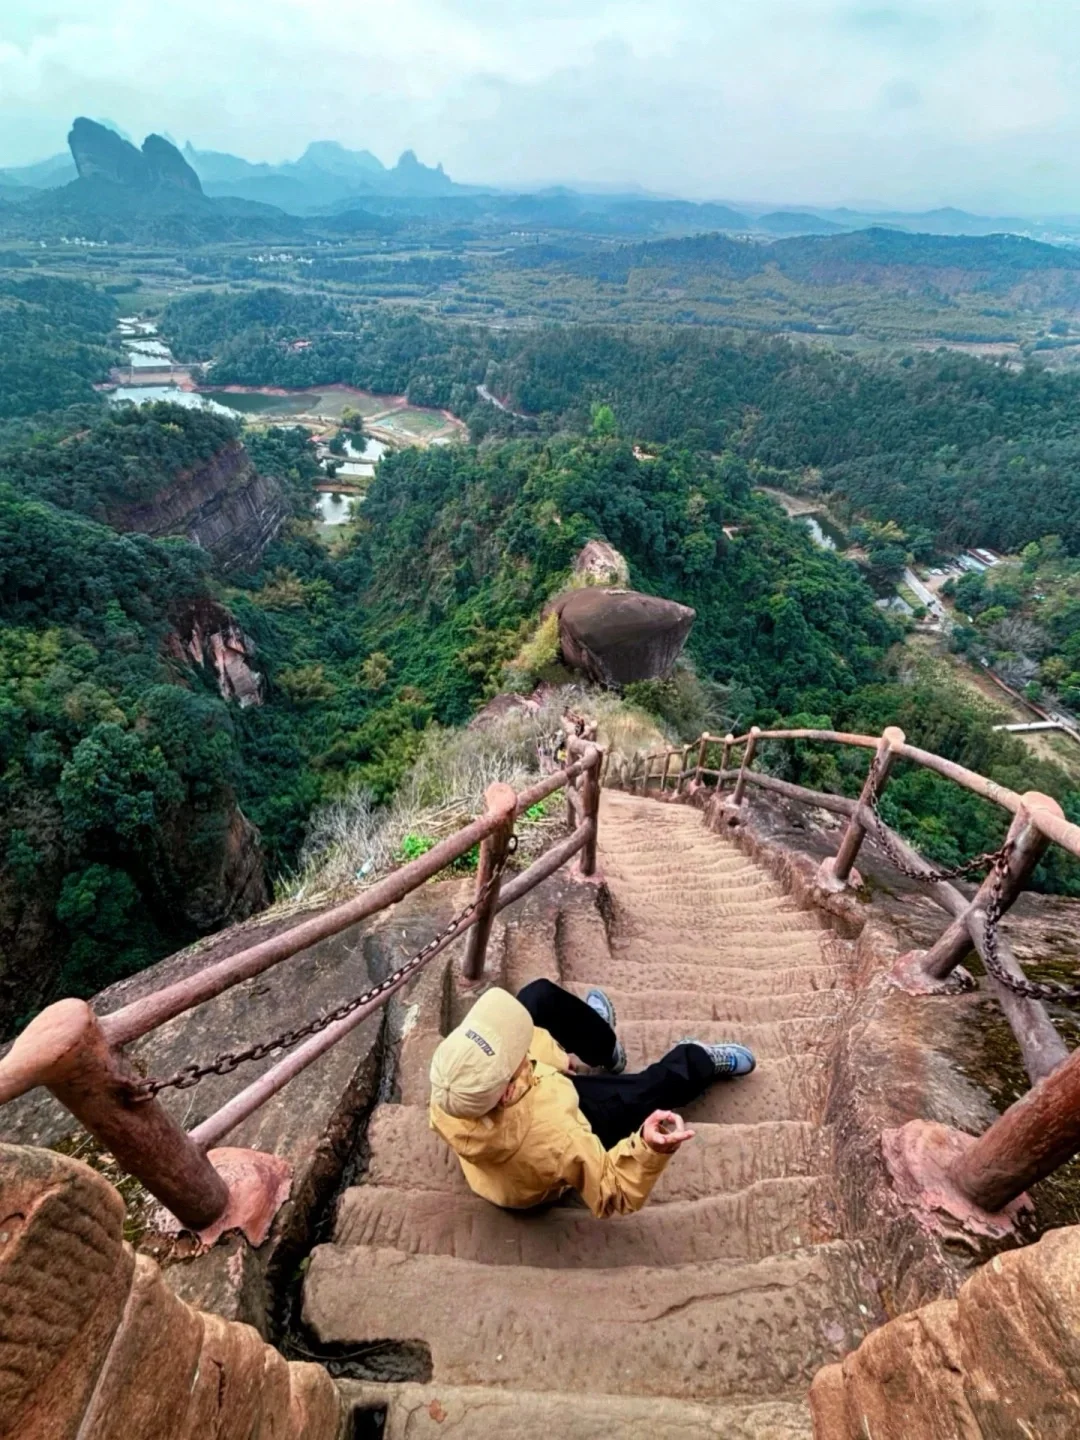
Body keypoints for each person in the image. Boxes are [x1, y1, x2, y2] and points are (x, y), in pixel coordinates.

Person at [428, 979, 756, 1219]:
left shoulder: (449, 1083)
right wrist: (647, 1146)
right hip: (546, 1128)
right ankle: (696, 1060)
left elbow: (519, 1064)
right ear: (509, 1090)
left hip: (527, 1105)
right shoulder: (559, 1136)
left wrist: (554, 1060)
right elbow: (609, 1190)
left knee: (535, 998)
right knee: (642, 1092)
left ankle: (602, 1043)